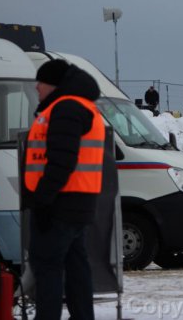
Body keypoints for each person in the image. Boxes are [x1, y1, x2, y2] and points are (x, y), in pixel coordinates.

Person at [24, 59, 105, 320]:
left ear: (54, 84)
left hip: (60, 204)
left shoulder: (66, 108)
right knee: (75, 267)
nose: (36, 87)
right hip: (77, 204)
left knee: (47, 268)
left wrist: (43, 200)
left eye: (41, 82)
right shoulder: (80, 106)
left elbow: (62, 160)